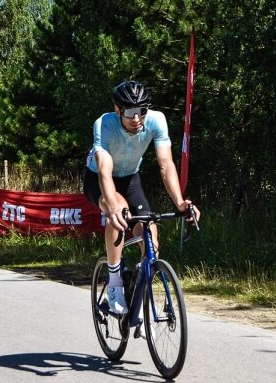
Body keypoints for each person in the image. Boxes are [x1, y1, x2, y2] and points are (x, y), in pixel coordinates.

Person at [83, 80, 200, 314]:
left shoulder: (156, 121)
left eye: (141, 112)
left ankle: (140, 285)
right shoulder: (104, 124)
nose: (136, 119)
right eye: (129, 113)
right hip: (99, 178)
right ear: (118, 111)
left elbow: (165, 164)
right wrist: (111, 207)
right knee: (120, 212)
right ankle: (115, 284)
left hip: (130, 178)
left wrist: (180, 202)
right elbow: (104, 168)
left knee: (150, 235)